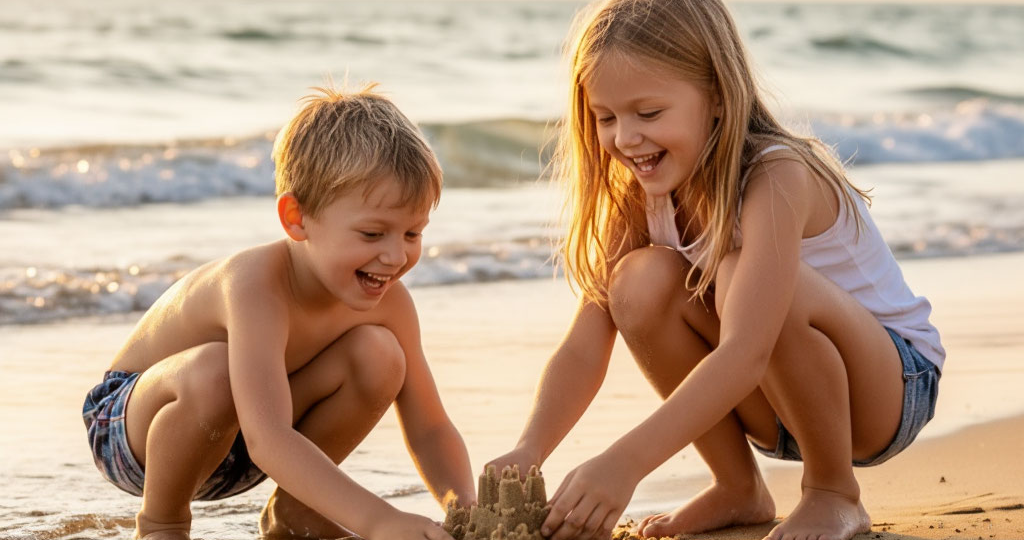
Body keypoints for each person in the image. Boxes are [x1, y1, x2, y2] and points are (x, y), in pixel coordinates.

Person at [487, 1, 944, 540]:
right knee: (635, 282)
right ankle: (738, 487)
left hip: (887, 391)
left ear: (718, 98)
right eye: (606, 118)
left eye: (649, 114)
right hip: (774, 406)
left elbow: (747, 348)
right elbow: (585, 346)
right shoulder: (642, 197)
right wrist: (530, 447)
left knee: (747, 281)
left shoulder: (777, 174)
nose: (626, 138)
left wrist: (625, 464)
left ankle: (832, 490)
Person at [82, 84, 475, 540]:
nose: (394, 256)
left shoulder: (391, 304)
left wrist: (465, 508)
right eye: (372, 234)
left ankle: (296, 514)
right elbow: (266, 437)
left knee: (381, 354)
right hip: (139, 434)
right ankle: (162, 524)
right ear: (296, 218)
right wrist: (378, 520)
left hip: (256, 443)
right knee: (216, 370)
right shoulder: (254, 285)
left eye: (412, 233)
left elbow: (429, 427)